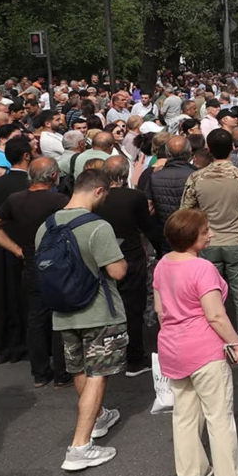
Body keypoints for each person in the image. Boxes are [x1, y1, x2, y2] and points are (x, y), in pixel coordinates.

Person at [154, 208, 238, 476]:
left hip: (173, 348)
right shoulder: (202, 268)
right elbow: (215, 315)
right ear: (191, 237)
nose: (210, 235)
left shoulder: (162, 264)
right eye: (205, 232)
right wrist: (236, 343)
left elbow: (160, 311)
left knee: (184, 415)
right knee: (218, 417)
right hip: (203, 348)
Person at [35, 168, 130, 472]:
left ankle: (99, 416)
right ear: (99, 191)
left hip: (63, 311)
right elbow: (117, 271)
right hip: (99, 310)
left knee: (79, 368)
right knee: (98, 373)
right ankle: (80, 446)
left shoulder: (45, 227)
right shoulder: (97, 227)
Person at [180, 128, 238, 365]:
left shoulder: (196, 178)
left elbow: (185, 212)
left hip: (207, 242)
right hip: (236, 241)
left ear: (208, 149)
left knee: (209, 296)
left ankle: (213, 343)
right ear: (233, 147)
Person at [0, 157, 72, 387]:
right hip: (57, 262)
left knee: (36, 317)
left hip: (31, 261)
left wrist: (17, 249)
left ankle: (40, 372)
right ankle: (62, 372)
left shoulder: (15, 199)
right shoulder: (60, 200)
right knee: (59, 316)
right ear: (54, 176)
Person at [98, 156, 167, 375]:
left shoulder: (97, 197)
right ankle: (135, 358)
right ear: (125, 173)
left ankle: (108, 354)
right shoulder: (134, 197)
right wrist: (162, 250)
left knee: (106, 307)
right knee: (133, 307)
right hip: (130, 256)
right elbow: (148, 227)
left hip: (102, 256)